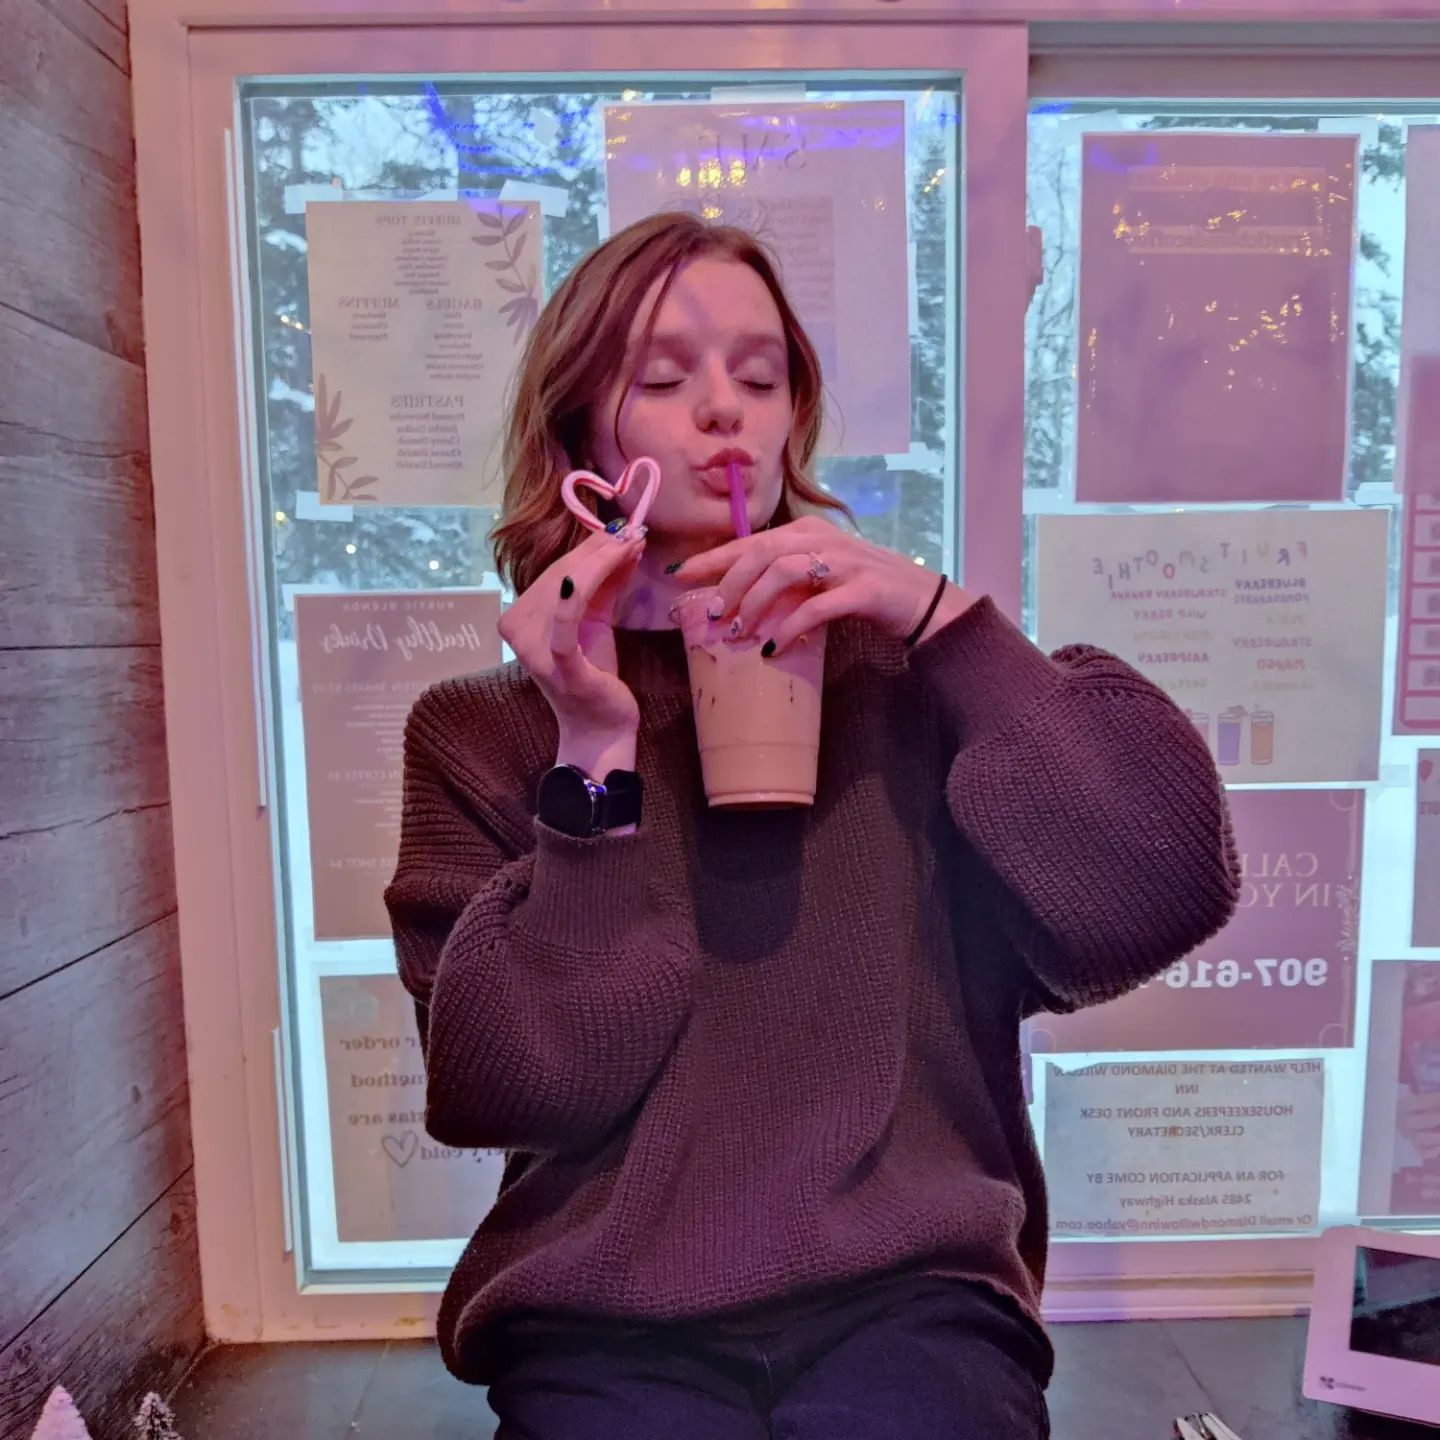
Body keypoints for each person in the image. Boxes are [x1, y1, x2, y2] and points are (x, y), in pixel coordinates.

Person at [384, 211, 1240, 1439]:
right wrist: (593, 755)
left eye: (760, 375)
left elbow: (1158, 890)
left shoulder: (907, 684)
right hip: (604, 1320)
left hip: (914, 1297)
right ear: (580, 433)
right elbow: (511, 1084)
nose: (721, 411)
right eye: (662, 379)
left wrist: (945, 620)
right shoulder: (483, 732)